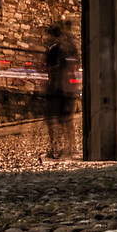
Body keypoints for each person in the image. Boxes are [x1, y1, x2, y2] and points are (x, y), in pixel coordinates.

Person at [40, 22, 76, 161]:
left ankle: (62, 146)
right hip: (61, 88)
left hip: (59, 88)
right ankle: (64, 146)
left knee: (60, 120)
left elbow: (57, 69)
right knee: (62, 120)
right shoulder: (59, 50)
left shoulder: (58, 50)